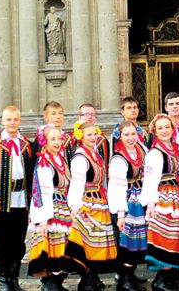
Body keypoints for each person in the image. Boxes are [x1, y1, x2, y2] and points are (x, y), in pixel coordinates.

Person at [139, 114, 179, 291]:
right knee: (164, 237)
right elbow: (150, 179)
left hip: (175, 195)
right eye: (160, 128)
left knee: (175, 236)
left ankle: (170, 276)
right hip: (163, 196)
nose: (164, 131)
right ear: (155, 130)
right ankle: (160, 279)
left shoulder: (174, 148)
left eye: (167, 127)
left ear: (172, 129)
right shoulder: (155, 152)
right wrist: (150, 203)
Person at [0, 106, 34, 291]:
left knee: (18, 240)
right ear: (2, 121)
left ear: (20, 121)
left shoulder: (27, 145)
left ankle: (14, 277)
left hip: (21, 199)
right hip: (3, 200)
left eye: (15, 119)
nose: (12, 123)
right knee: (2, 239)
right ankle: (3, 278)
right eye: (8, 120)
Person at [67, 123, 117, 291]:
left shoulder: (95, 155)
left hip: (99, 202)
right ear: (81, 137)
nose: (93, 137)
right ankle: (87, 279)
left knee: (97, 242)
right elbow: (76, 182)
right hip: (87, 203)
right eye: (89, 134)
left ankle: (93, 277)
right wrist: (75, 204)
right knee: (87, 241)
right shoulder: (80, 158)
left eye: (94, 134)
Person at [28, 124, 73, 290]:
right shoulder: (44, 163)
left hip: (63, 206)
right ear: (44, 141)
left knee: (64, 245)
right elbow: (43, 193)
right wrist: (44, 219)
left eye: (59, 138)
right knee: (53, 244)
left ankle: (57, 281)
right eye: (52, 139)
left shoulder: (59, 158)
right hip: (52, 208)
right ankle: (50, 283)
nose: (57, 142)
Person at [109, 121, 148, 291]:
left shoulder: (142, 150)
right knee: (127, 241)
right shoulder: (119, 158)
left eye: (133, 134)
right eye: (127, 135)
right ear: (120, 136)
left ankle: (130, 276)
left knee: (137, 240)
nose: (131, 138)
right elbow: (116, 188)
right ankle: (124, 280)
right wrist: (120, 213)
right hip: (127, 202)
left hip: (140, 200)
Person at [75, 102, 110, 167]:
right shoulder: (72, 138)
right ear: (79, 117)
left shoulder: (102, 138)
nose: (89, 117)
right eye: (86, 114)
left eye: (92, 114)